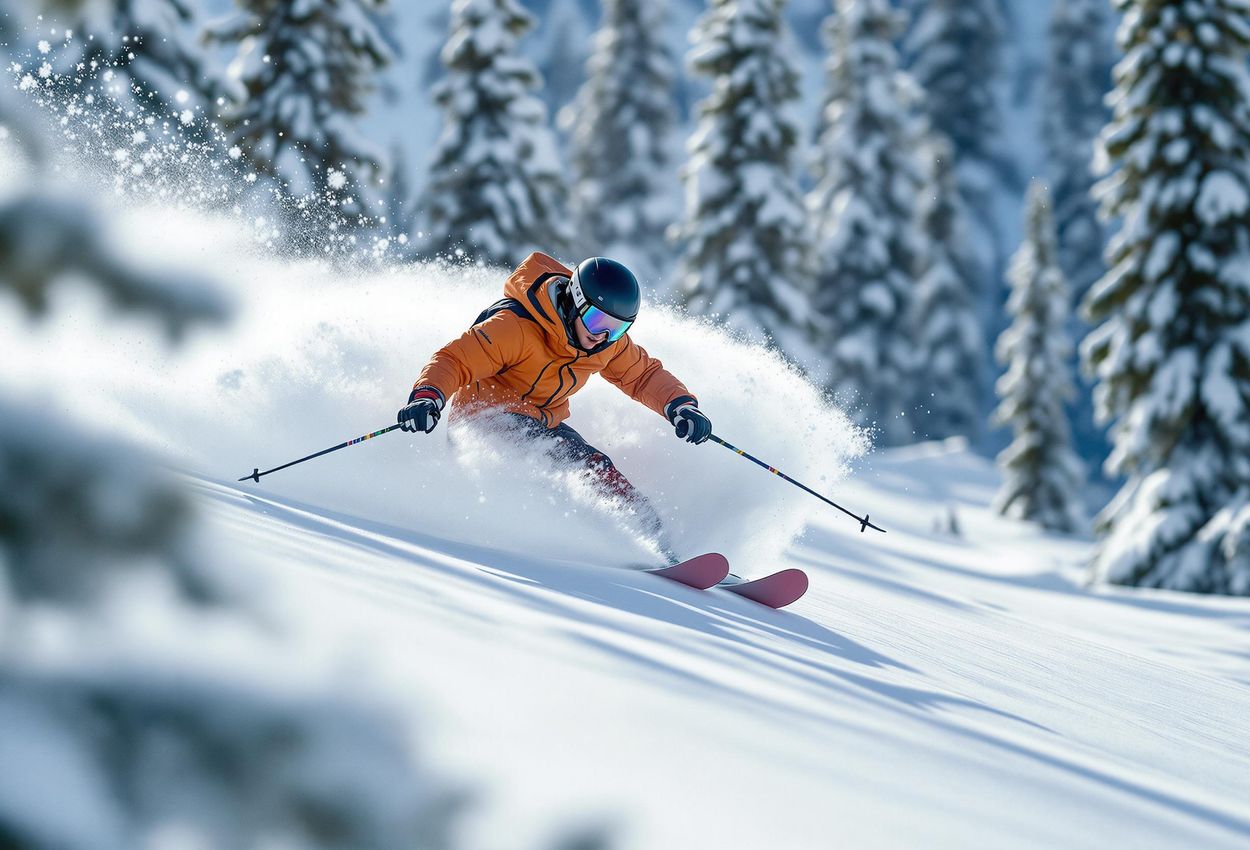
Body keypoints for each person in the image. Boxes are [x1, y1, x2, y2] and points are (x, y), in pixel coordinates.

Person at [398, 252, 712, 561]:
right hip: (487, 419)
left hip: (539, 421)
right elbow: (455, 359)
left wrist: (680, 405)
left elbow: (642, 375)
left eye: (616, 329)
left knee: (599, 469)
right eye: (596, 320)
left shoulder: (603, 344)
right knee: (578, 468)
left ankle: (662, 549)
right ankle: (599, 545)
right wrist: (428, 396)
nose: (602, 335)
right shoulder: (515, 328)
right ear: (575, 301)